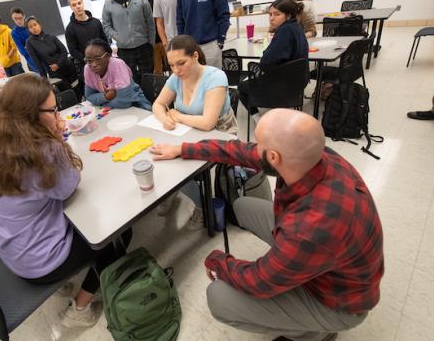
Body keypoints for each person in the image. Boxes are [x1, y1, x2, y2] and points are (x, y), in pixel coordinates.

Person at [150, 109, 384, 341]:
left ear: (273, 157)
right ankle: (297, 277)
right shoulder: (318, 156)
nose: (254, 147)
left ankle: (312, 334)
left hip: (339, 303)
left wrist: (220, 261)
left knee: (219, 297)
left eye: (259, 143)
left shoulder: (309, 228)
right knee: (243, 206)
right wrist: (182, 149)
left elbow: (259, 281)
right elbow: (239, 150)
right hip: (326, 256)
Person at [0, 74, 130, 328]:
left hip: (12, 250)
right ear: (30, 115)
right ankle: (80, 307)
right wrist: (57, 140)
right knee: (118, 233)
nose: (58, 114)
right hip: (42, 262)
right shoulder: (42, 150)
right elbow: (68, 187)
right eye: (53, 110)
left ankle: (64, 285)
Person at [152, 34, 236, 229]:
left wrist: (177, 116)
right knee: (161, 154)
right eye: (171, 65)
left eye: (181, 63)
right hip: (189, 131)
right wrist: (165, 119)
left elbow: (208, 123)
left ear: (196, 56)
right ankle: (173, 191)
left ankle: (201, 206)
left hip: (221, 133)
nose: (175, 70)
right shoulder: (176, 77)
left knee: (179, 162)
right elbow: (158, 104)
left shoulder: (215, 77)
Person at [238, 0, 309, 115]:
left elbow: (266, 61)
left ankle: (258, 119)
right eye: (270, 15)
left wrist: (268, 50)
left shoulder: (285, 30)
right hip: (298, 82)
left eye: (277, 14)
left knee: (242, 87)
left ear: (288, 15)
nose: (271, 18)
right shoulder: (297, 27)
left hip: (282, 84)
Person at [102, 0, 155, 84]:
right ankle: (137, 102)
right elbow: (106, 25)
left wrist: (151, 42)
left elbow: (150, 21)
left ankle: (151, 101)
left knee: (149, 77)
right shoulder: (108, 3)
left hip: (144, 46)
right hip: (124, 49)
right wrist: (117, 36)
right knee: (130, 79)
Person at [83, 39, 151, 110]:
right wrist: (106, 96)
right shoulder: (88, 68)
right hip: (112, 109)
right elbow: (89, 96)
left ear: (108, 56)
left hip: (135, 105)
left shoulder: (118, 65)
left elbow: (124, 102)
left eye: (98, 59)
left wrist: (100, 101)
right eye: (89, 60)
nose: (93, 64)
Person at [25, 16, 81, 99]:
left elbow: (64, 51)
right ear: (28, 29)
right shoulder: (30, 43)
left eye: (35, 24)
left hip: (68, 67)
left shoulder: (51, 37)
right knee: (68, 94)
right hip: (56, 73)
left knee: (78, 90)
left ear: (39, 24)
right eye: (30, 27)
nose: (34, 28)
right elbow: (38, 63)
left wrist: (58, 64)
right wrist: (44, 80)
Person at [64, 0, 108, 83]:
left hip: (103, 62)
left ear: (83, 3)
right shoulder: (70, 29)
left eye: (79, 3)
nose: (78, 6)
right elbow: (72, 50)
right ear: (71, 8)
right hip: (87, 66)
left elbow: (105, 41)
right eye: (74, 5)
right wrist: (89, 60)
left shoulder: (96, 22)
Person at [141, 0, 166, 74]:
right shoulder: (141, 0)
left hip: (167, 40)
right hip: (151, 44)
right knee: (157, 73)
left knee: (175, 69)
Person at [0, 10, 24, 77]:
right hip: (4, 66)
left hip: (15, 64)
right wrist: (1, 61)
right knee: (11, 86)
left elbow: (14, 47)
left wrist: (6, 59)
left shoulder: (8, 31)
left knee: (21, 84)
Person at [10, 7, 39, 73]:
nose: (18, 21)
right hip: (33, 61)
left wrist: (28, 46)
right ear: (12, 18)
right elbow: (22, 51)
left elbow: (40, 40)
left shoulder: (31, 25)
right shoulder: (14, 33)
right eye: (15, 19)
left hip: (43, 55)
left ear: (24, 16)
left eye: (20, 18)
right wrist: (35, 46)